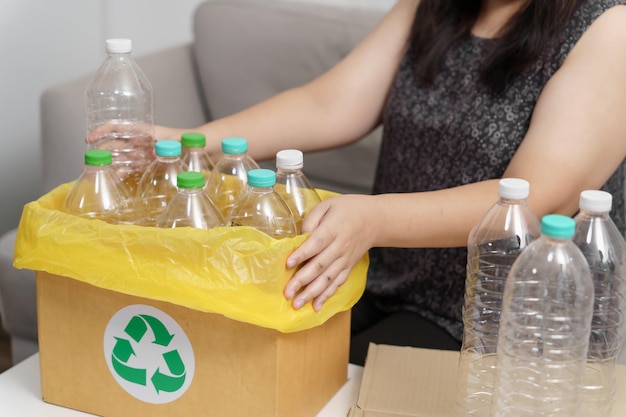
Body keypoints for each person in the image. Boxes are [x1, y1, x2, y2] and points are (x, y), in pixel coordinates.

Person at [153, 0, 626, 365]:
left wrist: (372, 218)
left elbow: (540, 198)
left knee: (328, 381)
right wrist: (188, 143)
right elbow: (331, 104)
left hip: (499, 320)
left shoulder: (610, 29)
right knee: (247, 351)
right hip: (384, 278)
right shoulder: (433, 7)